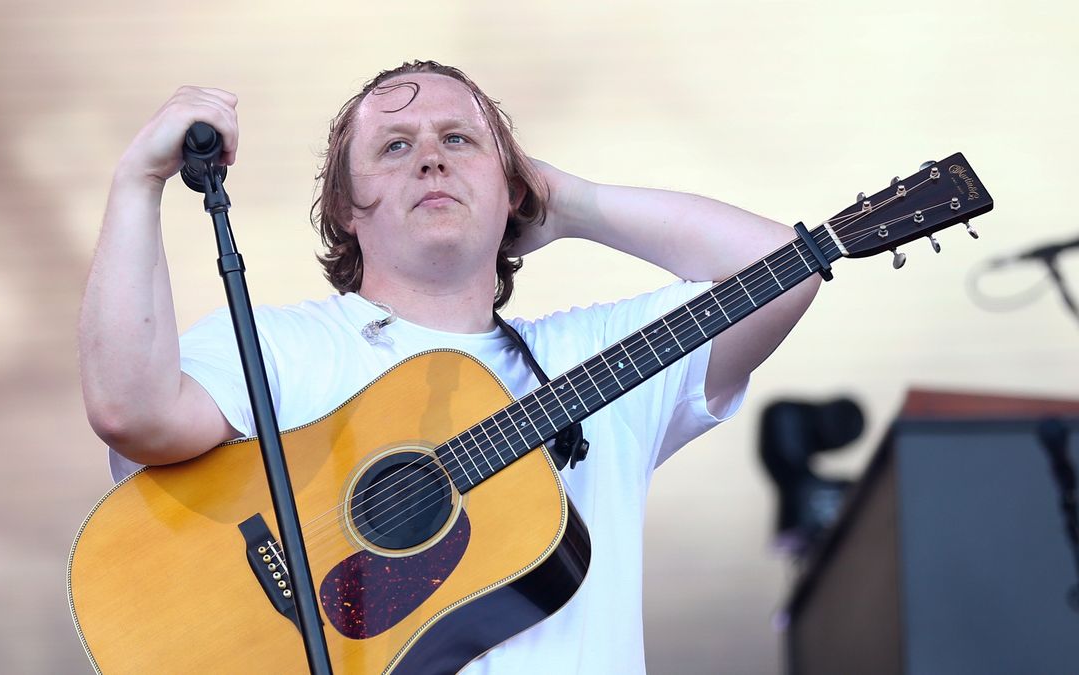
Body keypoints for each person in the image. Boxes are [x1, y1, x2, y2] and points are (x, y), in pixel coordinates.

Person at [79, 60, 819, 674]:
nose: (430, 155)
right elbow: (131, 411)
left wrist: (572, 203)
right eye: (394, 146)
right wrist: (138, 180)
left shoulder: (585, 358)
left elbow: (788, 271)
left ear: (512, 190)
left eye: (460, 140)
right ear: (345, 206)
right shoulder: (281, 346)